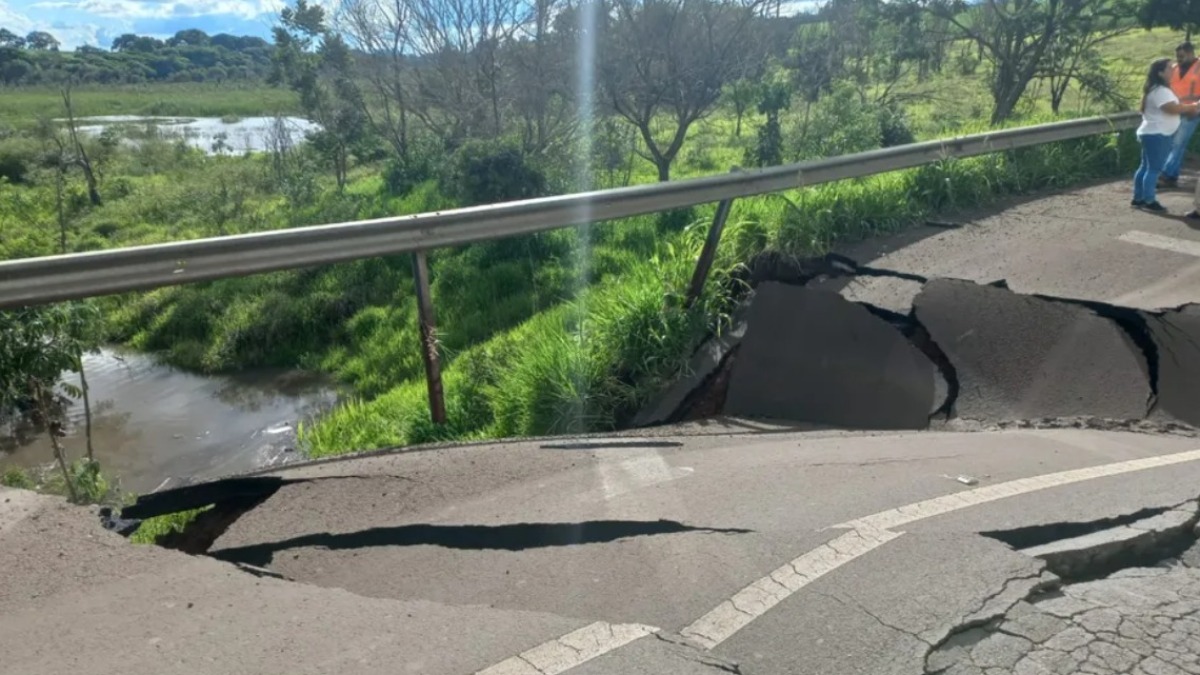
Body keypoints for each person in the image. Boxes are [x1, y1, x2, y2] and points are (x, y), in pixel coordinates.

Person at [1134, 58, 1200, 212]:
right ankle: (1149, 200)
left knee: (1145, 167)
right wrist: (1193, 107)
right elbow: (1172, 108)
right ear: (1161, 72)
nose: (1173, 70)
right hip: (1158, 134)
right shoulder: (1161, 91)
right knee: (1153, 169)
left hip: (1151, 133)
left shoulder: (1156, 89)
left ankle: (1138, 198)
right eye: (1170, 68)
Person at [1159, 42, 1200, 189]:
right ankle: (1172, 177)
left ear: (1191, 53)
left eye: (1182, 56)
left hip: (1192, 112)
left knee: (1178, 143)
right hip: (1175, 111)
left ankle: (1165, 174)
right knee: (1174, 144)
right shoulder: (1174, 68)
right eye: (1177, 56)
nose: (1179, 58)